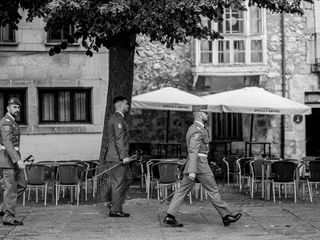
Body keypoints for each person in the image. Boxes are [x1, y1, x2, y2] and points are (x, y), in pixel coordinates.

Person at [163, 105, 242, 227]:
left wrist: (191, 170)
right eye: (205, 113)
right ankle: (226, 216)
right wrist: (192, 171)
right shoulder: (197, 130)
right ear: (199, 114)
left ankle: (170, 216)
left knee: (181, 191)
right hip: (200, 164)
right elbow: (194, 150)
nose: (208, 115)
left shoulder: (196, 128)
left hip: (195, 164)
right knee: (213, 190)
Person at [0, 97, 26, 226]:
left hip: (14, 160)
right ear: (8, 108)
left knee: (22, 185)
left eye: (18, 107)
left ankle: (3, 209)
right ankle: (8, 218)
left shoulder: (14, 122)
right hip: (8, 161)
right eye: (14, 107)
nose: (17, 109)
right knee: (11, 189)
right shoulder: (6, 122)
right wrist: (17, 160)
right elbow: (8, 143)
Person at [105, 96, 133, 217]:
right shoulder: (117, 119)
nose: (128, 106)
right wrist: (123, 157)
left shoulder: (119, 118)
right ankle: (115, 210)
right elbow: (119, 139)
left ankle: (115, 203)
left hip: (118, 156)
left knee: (128, 179)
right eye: (126, 104)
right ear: (120, 105)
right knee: (118, 182)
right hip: (117, 157)